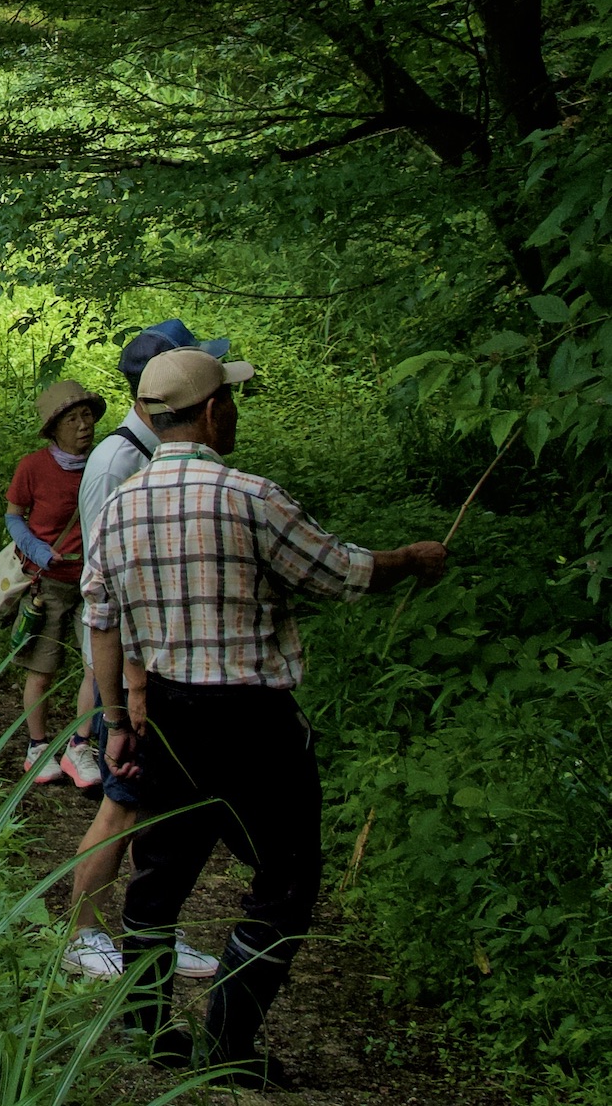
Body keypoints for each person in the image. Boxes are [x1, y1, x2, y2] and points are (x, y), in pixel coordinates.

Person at [85, 348, 448, 1086]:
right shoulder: (250, 496)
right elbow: (344, 573)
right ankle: (229, 1043)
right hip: (253, 719)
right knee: (286, 880)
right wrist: (412, 559)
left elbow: (102, 621)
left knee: (159, 878)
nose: (235, 411)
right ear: (212, 411)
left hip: (167, 714)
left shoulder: (121, 505)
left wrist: (118, 720)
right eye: (232, 400)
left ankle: (150, 1032)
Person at [64, 320, 233, 982]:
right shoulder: (117, 462)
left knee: (153, 810)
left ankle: (150, 928)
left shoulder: (156, 454)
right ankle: (83, 935)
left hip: (163, 668)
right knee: (123, 802)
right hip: (137, 670)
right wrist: (124, 695)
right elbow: (107, 584)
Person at [5, 380, 104, 785]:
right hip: (47, 585)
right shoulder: (33, 467)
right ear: (53, 428)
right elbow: (14, 515)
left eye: (87, 416)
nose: (83, 425)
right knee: (42, 669)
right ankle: (37, 746)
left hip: (94, 583)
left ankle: (80, 747)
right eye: (72, 419)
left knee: (97, 668)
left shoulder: (104, 464)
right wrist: (37, 548)